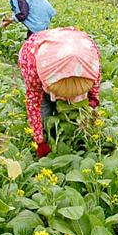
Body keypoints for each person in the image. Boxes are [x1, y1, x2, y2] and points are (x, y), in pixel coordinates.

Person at [18, 27, 101, 158]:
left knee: (72, 110)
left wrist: (93, 99)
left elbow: (95, 82)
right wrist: (39, 139)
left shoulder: (90, 60)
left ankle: (70, 137)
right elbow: (33, 102)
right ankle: (47, 134)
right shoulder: (32, 65)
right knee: (43, 110)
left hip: (73, 47)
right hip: (38, 55)